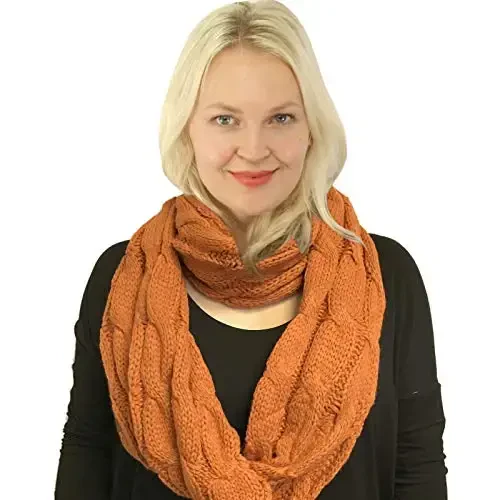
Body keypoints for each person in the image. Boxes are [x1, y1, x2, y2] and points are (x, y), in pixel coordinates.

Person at [54, 1, 448, 499]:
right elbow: (87, 454)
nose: (255, 148)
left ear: (312, 129)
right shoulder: (120, 277)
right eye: (225, 119)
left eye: (281, 117)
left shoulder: (387, 275)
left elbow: (416, 465)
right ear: (187, 128)